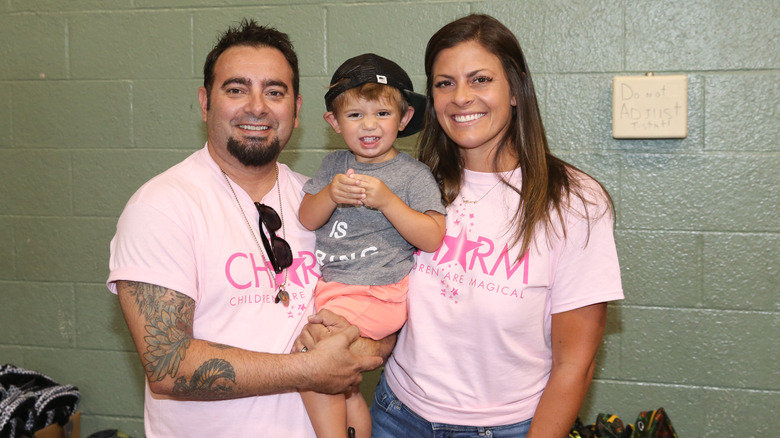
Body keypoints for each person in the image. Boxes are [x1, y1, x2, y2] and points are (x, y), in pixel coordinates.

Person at [106, 19, 393, 438]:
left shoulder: (321, 199)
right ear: (206, 102)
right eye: (236, 89)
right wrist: (308, 370)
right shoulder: (162, 206)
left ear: (296, 109)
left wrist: (371, 346)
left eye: (275, 92)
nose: (257, 107)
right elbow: (167, 364)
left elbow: (382, 290)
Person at [367, 14, 625, 438]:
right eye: (444, 83)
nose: (461, 97)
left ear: (516, 91)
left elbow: (574, 365)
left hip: (509, 428)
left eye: (480, 79)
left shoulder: (576, 201)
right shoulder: (408, 185)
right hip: (397, 414)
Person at [298, 54, 447, 438]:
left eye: (382, 114)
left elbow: (432, 236)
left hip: (377, 291)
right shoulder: (333, 165)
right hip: (334, 290)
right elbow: (307, 218)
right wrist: (330, 194)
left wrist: (388, 202)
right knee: (345, 390)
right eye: (354, 116)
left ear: (404, 119)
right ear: (333, 122)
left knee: (315, 369)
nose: (369, 125)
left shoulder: (413, 174)